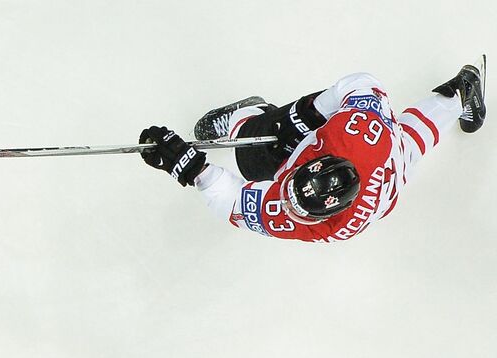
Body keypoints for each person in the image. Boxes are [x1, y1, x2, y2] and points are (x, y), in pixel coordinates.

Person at [138, 58, 485, 242]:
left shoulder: (322, 226)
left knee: (255, 160)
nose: (285, 205)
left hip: (383, 167)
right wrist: (302, 116)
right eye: (291, 197)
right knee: (407, 142)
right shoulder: (357, 127)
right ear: (319, 162)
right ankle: (459, 96)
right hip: (384, 158)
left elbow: (231, 202)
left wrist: (192, 169)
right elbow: (364, 83)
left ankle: (247, 117)